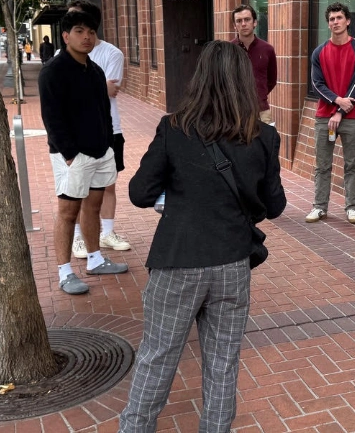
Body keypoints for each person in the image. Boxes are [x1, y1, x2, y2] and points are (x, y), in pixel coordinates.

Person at [119, 41, 286, 432]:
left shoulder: (174, 129)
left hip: (178, 259)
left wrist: (178, 193)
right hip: (232, 263)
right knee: (222, 364)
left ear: (200, 79)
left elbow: (139, 192)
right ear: (245, 82)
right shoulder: (262, 136)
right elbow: (274, 205)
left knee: (157, 358)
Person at [38, 10, 128, 296]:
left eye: (90, 31)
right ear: (66, 36)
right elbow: (52, 118)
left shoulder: (95, 70)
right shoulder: (53, 71)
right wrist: (69, 154)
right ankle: (65, 272)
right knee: (68, 212)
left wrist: (106, 145)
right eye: (79, 31)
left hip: (100, 151)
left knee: (93, 206)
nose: (86, 36)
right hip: (72, 155)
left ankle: (95, 258)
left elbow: (103, 111)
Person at [65, 0, 133, 259]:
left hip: (109, 129)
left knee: (108, 185)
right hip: (76, 132)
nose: (81, 32)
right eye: (73, 24)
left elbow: (110, 91)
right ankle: (80, 238)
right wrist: (95, 88)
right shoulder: (62, 56)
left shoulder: (112, 53)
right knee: (79, 187)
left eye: (85, 26)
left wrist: (81, 90)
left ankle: (107, 233)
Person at [306, 2, 355, 224]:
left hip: (350, 117)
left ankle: (352, 208)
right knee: (322, 165)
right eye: (331, 19)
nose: (335, 22)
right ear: (328, 23)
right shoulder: (319, 52)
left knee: (352, 164)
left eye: (339, 18)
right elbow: (317, 84)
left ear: (348, 21)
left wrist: (339, 111)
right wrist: (336, 101)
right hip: (324, 117)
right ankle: (319, 207)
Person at [231, 4, 278, 124]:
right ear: (234, 26)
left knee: (266, 142)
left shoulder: (267, 49)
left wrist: (258, 94)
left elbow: (272, 80)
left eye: (247, 19)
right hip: (234, 111)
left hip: (261, 111)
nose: (243, 24)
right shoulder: (228, 50)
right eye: (239, 21)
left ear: (255, 22)